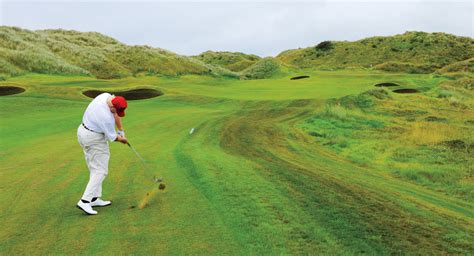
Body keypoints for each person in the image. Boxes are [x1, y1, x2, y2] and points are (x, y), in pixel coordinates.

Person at [76, 93, 128, 215]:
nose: (116, 113)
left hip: (84, 132)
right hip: (94, 139)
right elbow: (113, 137)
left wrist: (121, 130)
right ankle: (85, 201)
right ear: (112, 106)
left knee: (95, 169)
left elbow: (116, 114)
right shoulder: (105, 117)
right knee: (100, 171)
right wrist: (123, 140)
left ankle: (94, 199)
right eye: (116, 111)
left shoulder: (106, 96)